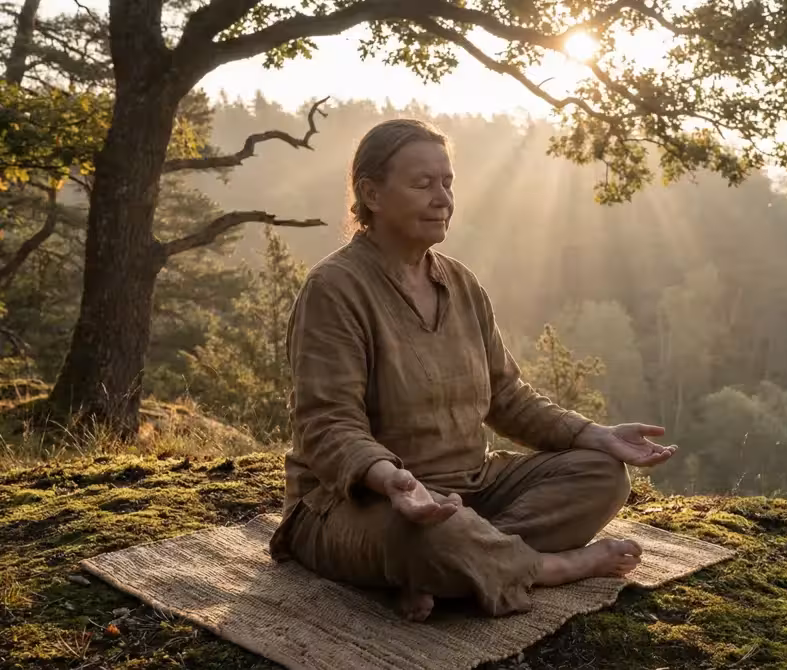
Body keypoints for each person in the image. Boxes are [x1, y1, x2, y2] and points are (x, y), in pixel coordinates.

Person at [268, 118, 678, 622]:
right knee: (425, 534)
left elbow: (507, 397)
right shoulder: (334, 289)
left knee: (601, 476)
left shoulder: (461, 284)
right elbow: (327, 425)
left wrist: (594, 434)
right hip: (355, 504)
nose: (442, 198)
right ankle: (545, 566)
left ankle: (456, 567)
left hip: (470, 489)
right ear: (371, 194)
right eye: (423, 184)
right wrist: (392, 481)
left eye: (447, 183)